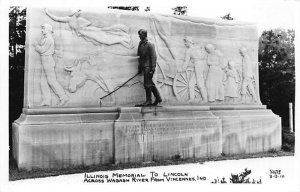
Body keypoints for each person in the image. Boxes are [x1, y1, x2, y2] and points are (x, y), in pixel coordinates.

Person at [44, 9, 133, 49]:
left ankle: (123, 39)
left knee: (106, 40)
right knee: (105, 40)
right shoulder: (68, 19)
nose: (78, 13)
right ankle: (123, 40)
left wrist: (79, 28)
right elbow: (56, 18)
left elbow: (88, 23)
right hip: (85, 33)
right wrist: (47, 13)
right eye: (77, 12)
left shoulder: (79, 19)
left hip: (89, 31)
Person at [33, 23, 69, 106]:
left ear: (48, 30)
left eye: (43, 28)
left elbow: (42, 50)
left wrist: (36, 45)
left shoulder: (49, 39)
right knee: (43, 82)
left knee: (51, 81)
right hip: (45, 61)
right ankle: (47, 100)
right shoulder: (46, 39)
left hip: (48, 60)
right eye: (42, 28)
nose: (42, 30)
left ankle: (63, 97)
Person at [136, 29, 162, 106]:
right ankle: (158, 98)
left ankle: (149, 100)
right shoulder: (140, 44)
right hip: (144, 67)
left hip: (148, 67)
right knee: (150, 83)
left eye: (140, 35)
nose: (139, 36)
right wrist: (139, 68)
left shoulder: (150, 45)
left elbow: (153, 58)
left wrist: (152, 70)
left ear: (144, 35)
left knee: (147, 84)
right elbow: (140, 57)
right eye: (139, 35)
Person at [178, 37, 208, 102]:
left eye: (186, 42)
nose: (185, 44)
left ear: (189, 42)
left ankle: (205, 99)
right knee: (191, 84)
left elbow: (186, 62)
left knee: (200, 83)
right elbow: (204, 55)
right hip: (199, 65)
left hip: (198, 66)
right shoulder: (197, 47)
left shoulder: (189, 51)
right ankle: (192, 99)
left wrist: (182, 69)